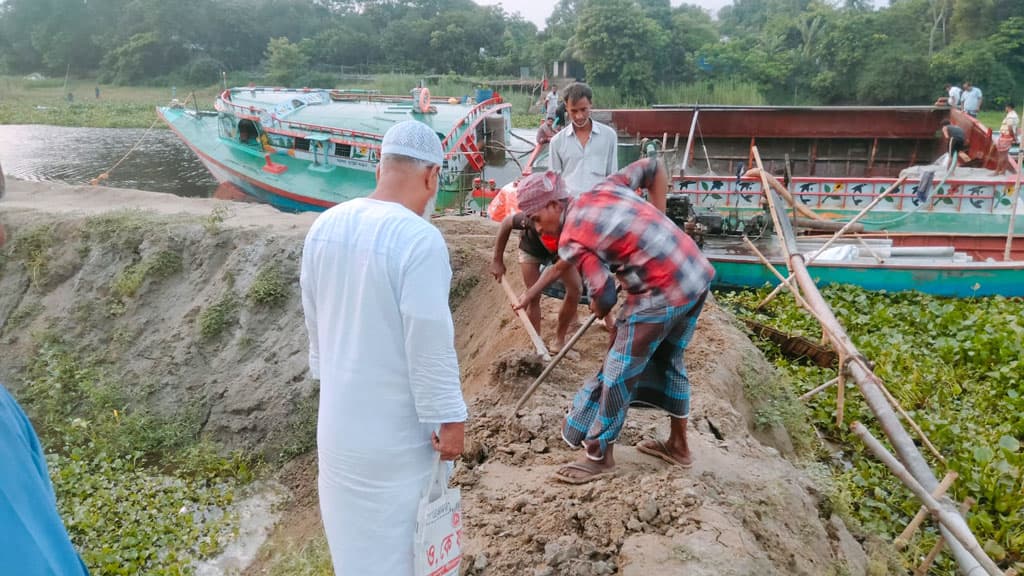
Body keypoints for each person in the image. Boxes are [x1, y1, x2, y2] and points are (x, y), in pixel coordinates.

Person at [301, 120, 468, 575]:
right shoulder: (418, 239)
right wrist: (450, 418)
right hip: (396, 444)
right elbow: (429, 338)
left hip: (338, 432)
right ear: (432, 177)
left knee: (354, 555)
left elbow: (316, 328)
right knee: (402, 554)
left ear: (381, 167)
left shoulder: (325, 226)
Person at [513, 157, 715, 485]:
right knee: (669, 360)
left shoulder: (571, 238)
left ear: (553, 204)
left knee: (617, 371)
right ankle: (678, 446)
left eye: (537, 219)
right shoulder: (604, 188)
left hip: (661, 290)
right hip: (695, 272)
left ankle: (599, 455)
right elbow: (654, 168)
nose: (538, 228)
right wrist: (657, 222)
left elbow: (604, 294)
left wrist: (598, 303)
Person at [490, 174, 582, 352]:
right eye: (534, 220)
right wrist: (497, 260)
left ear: (556, 207)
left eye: (538, 220)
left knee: (575, 289)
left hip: (560, 249)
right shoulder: (532, 217)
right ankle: (537, 346)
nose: (538, 226)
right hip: (531, 249)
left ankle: (559, 340)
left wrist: (530, 293)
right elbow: (506, 223)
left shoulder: (575, 222)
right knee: (533, 300)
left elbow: (558, 268)